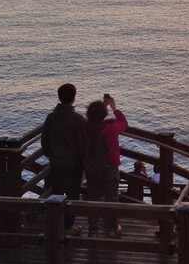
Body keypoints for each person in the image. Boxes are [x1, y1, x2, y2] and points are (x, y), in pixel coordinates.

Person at [41, 83, 86, 234]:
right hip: (74, 163)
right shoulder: (78, 119)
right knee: (73, 194)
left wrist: (50, 154)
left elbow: (45, 140)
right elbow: (82, 144)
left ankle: (57, 225)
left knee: (57, 192)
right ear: (74, 98)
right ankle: (68, 227)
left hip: (56, 161)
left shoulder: (51, 118)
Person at [84, 93, 128, 237]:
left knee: (93, 196)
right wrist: (114, 108)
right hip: (109, 166)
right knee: (112, 196)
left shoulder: (86, 127)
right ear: (104, 114)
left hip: (92, 167)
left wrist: (103, 106)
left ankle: (93, 228)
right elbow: (123, 123)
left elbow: (94, 119)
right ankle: (112, 226)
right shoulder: (109, 129)